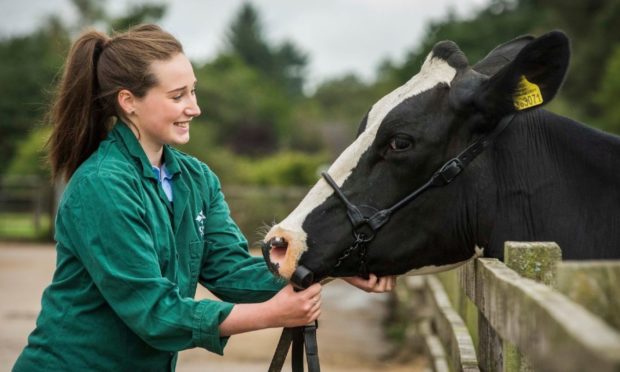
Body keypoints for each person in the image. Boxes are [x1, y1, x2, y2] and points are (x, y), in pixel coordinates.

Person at [12, 24, 396, 371]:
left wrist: (337, 268)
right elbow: (155, 313)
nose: (194, 108)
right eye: (178, 96)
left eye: (192, 91)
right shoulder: (101, 186)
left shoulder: (196, 179)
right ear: (129, 101)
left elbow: (231, 271)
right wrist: (271, 314)